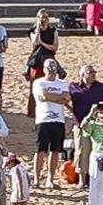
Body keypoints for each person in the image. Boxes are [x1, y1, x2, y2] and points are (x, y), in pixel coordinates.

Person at [30, 58, 72, 189]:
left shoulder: (62, 83)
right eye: (49, 70)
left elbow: (67, 98)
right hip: (43, 119)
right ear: (44, 70)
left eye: (54, 70)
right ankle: (36, 178)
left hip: (58, 119)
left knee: (55, 151)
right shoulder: (39, 82)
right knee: (41, 150)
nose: (52, 73)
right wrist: (59, 99)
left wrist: (55, 98)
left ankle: (50, 179)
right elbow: (43, 96)